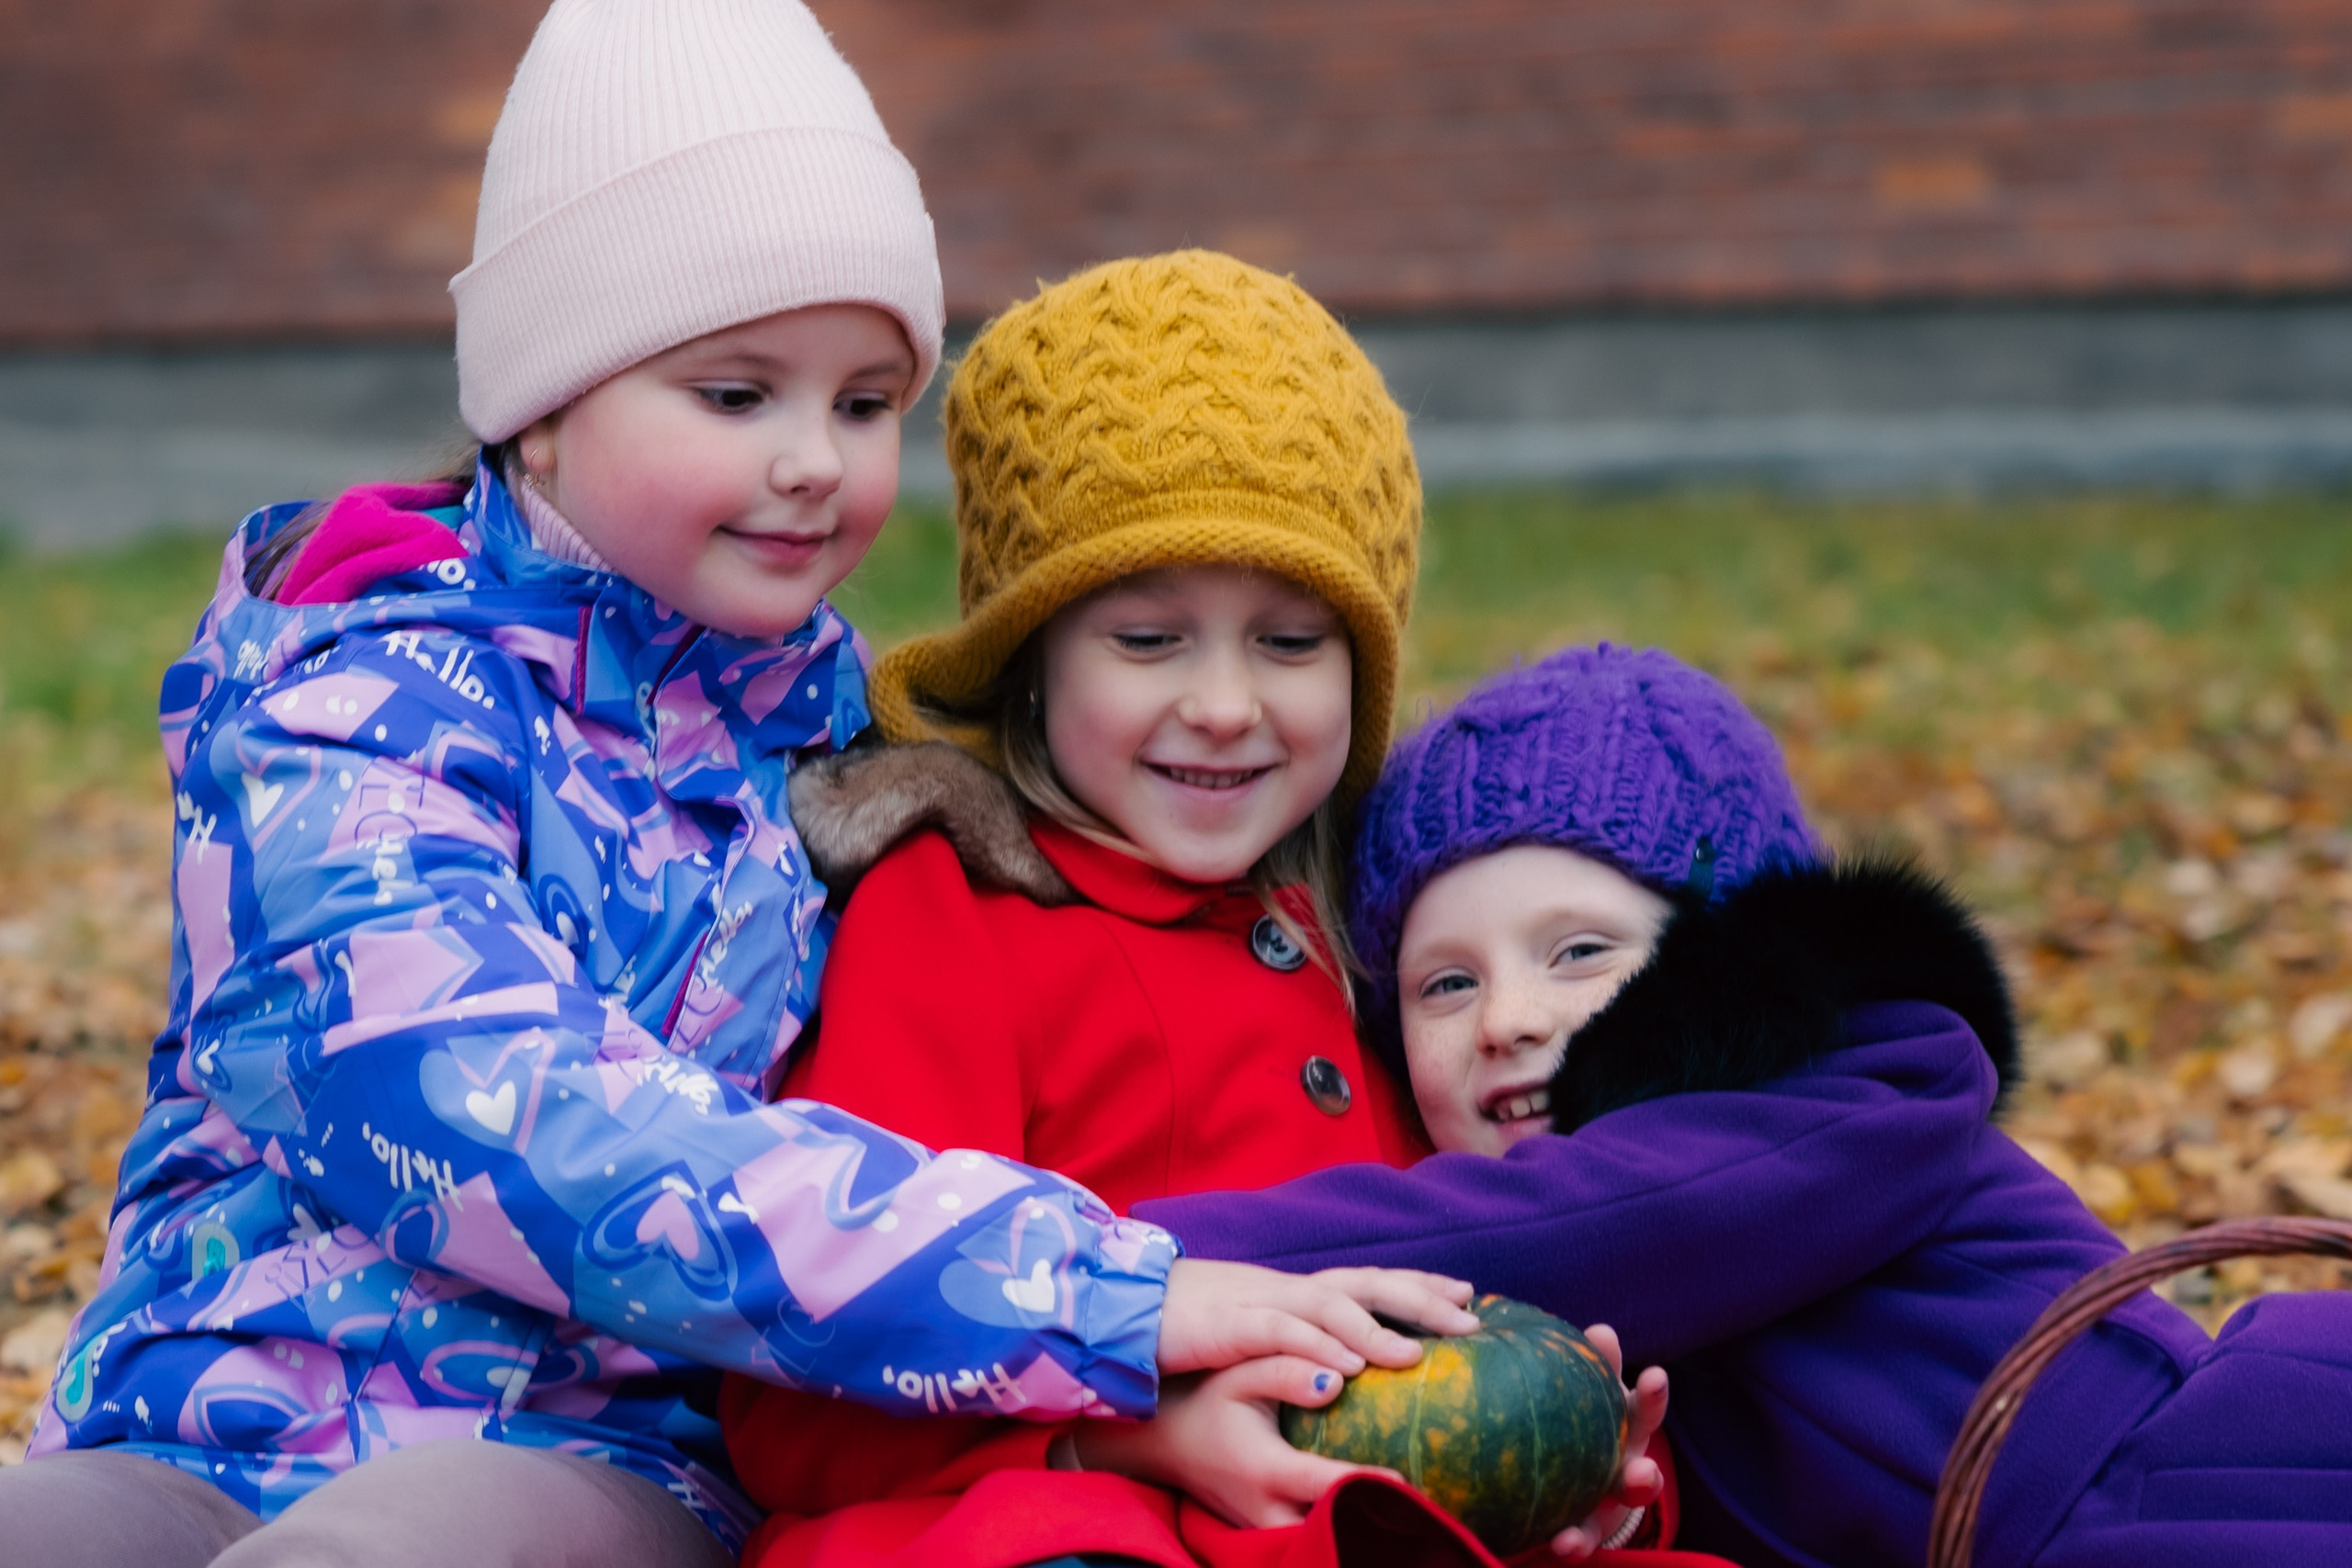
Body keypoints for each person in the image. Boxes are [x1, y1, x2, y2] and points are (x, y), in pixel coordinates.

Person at [0, 12, 1468, 1567]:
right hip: (207, 1408)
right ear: (542, 406)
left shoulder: (840, 745)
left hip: (600, 1450)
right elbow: (486, 1104)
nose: (815, 460)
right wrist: (1097, 1294)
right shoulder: (348, 709)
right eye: (737, 394)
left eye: (862, 402)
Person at [721, 252, 1686, 1568]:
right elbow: (802, 1396)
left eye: (1291, 642)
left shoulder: (1395, 937)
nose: (1226, 706)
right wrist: (1135, 1435)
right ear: (1031, 658)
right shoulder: (951, 918)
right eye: (1147, 639)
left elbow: (1495, 1293)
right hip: (1060, 1525)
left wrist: (1577, 1477)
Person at [1140, 642, 2352, 1568]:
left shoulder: (1836, 1098)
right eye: (1445, 983)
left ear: (1717, 963)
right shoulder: (1596, 1280)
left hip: (2188, 1486)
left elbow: (1554, 1221)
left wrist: (1121, 1265)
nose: (1507, 1016)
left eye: (1577, 953)